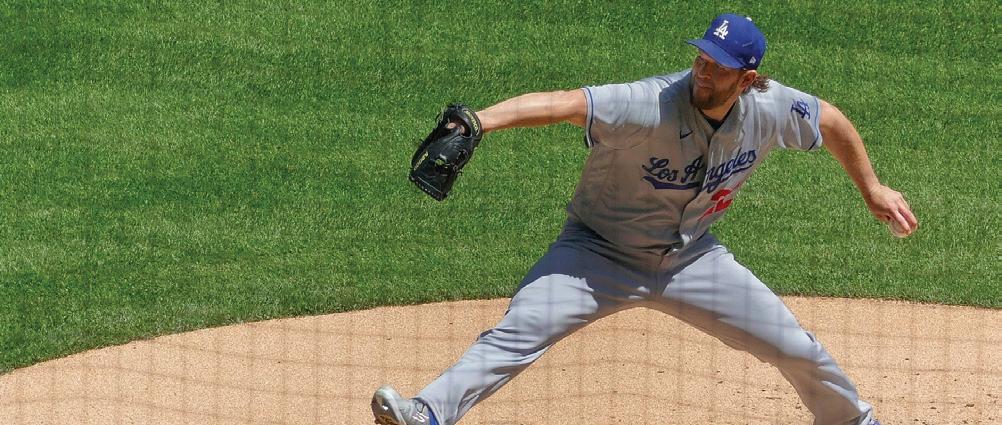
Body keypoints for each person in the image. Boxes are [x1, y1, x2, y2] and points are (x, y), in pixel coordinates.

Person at [372, 13, 917, 425]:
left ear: (747, 79)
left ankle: (852, 421)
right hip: (595, 254)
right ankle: (428, 413)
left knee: (793, 344)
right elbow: (564, 104)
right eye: (701, 59)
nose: (703, 72)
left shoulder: (772, 106)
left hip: (691, 260)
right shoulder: (647, 102)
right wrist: (479, 122)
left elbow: (829, 119)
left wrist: (871, 187)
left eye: (718, 68)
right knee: (519, 332)